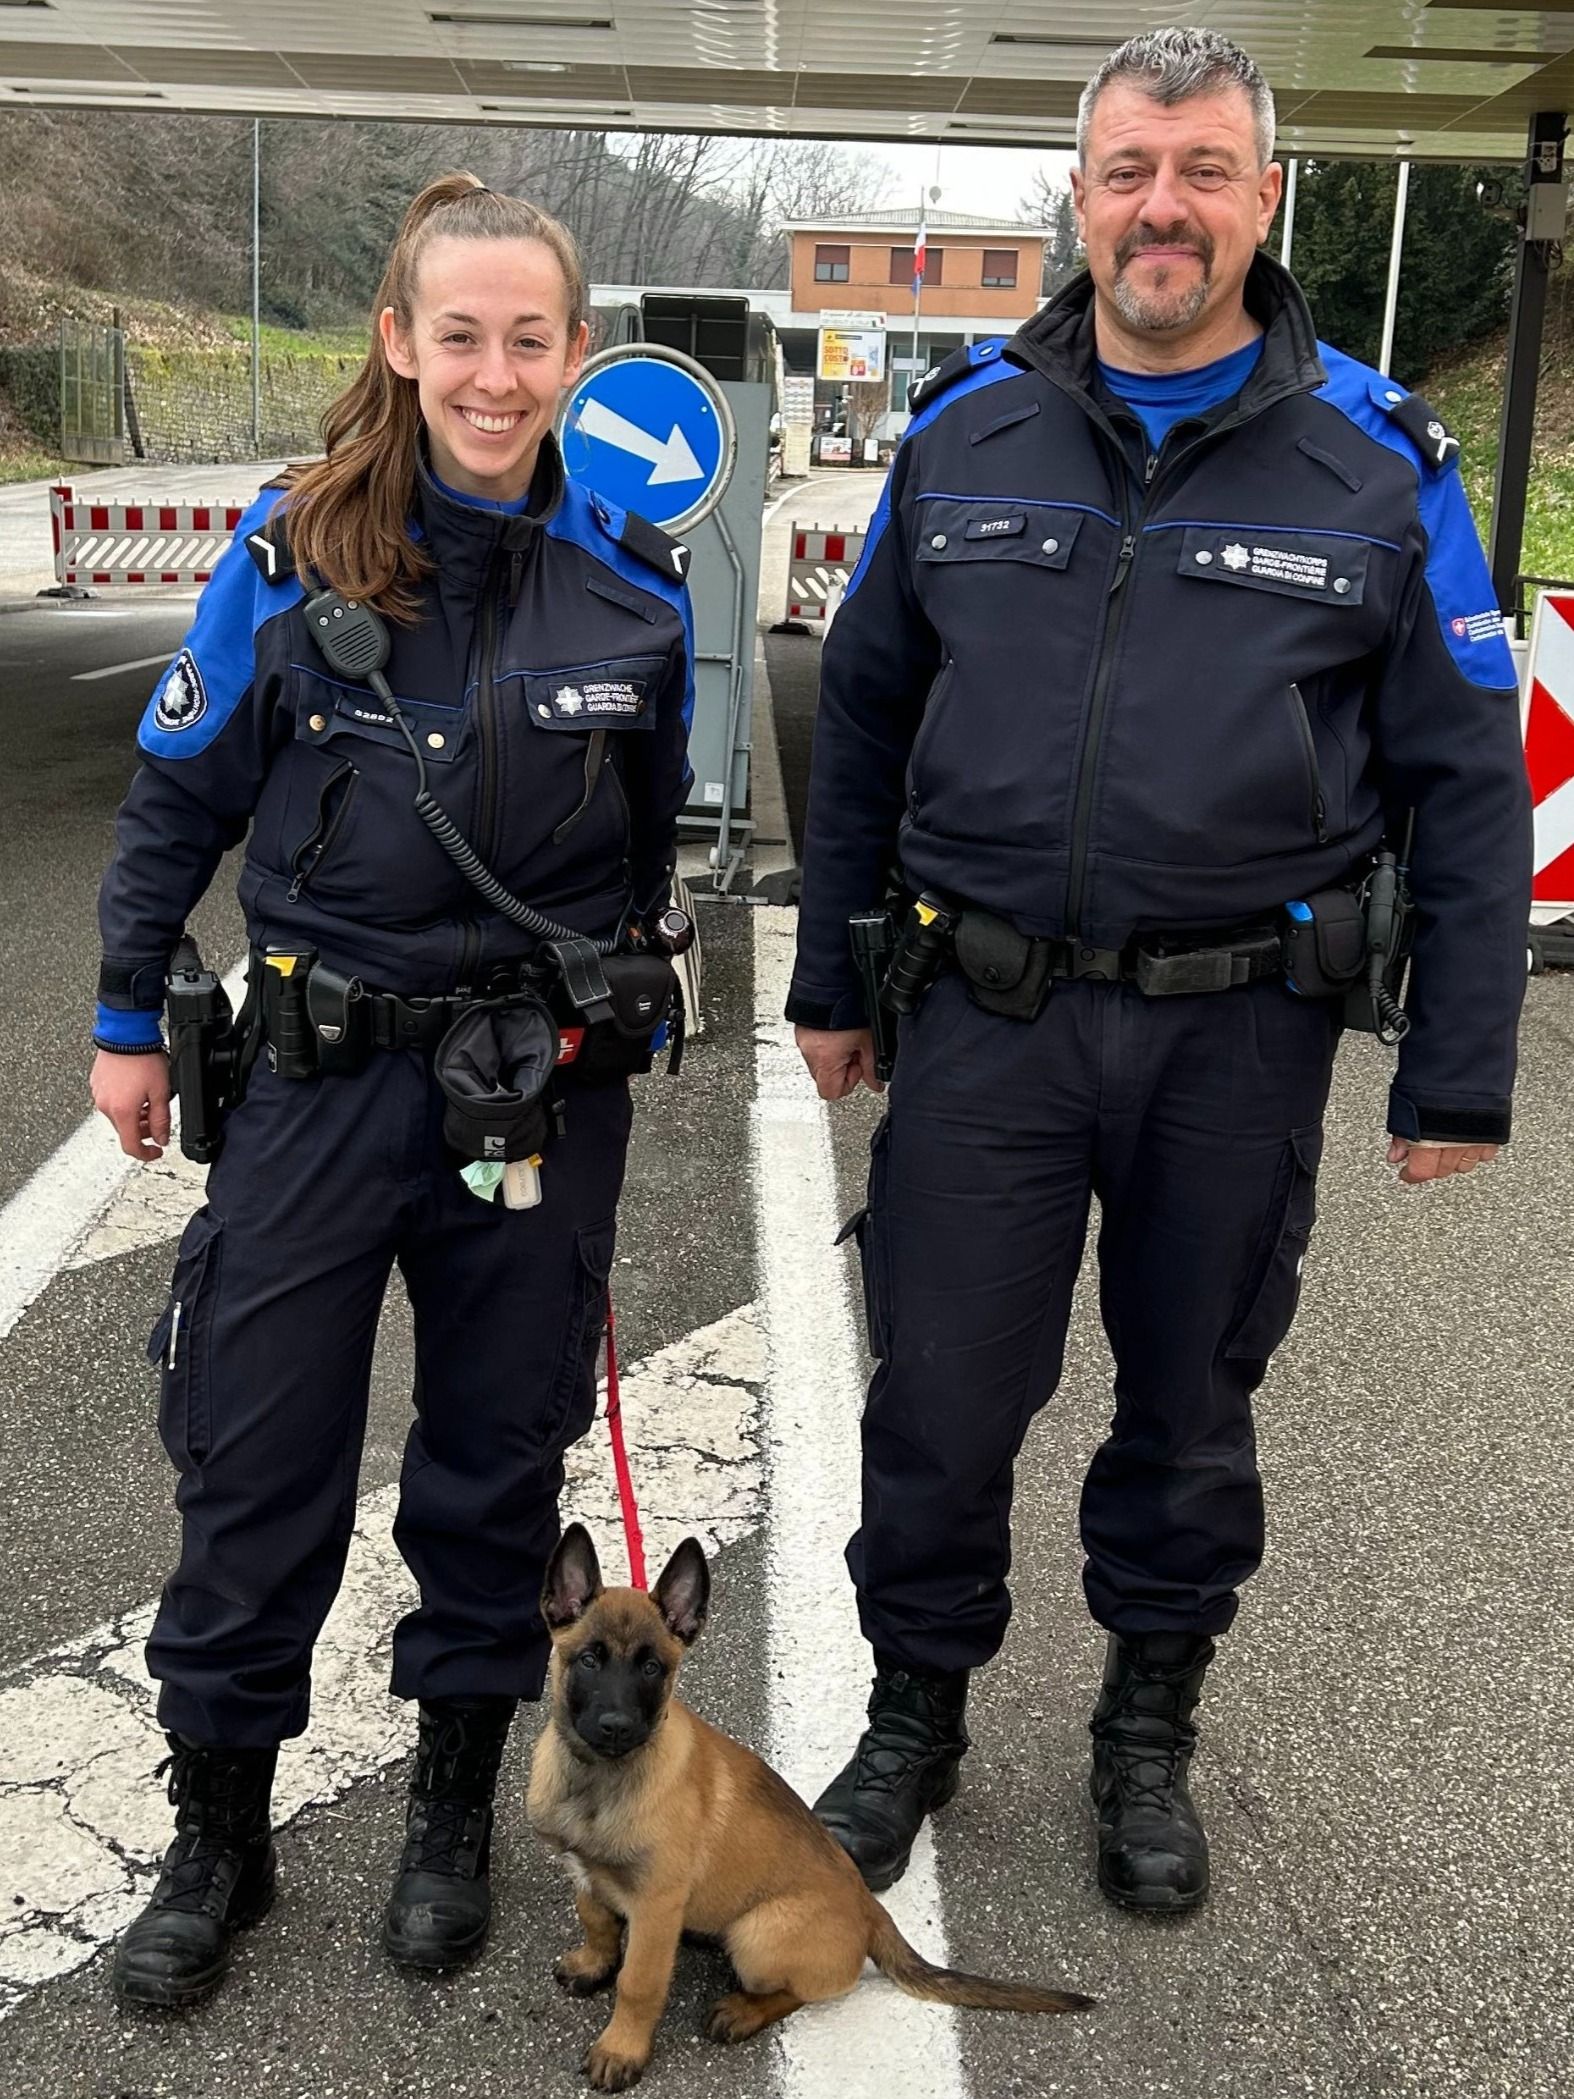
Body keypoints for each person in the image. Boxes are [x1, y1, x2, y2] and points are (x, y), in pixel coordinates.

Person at [789, 28, 1532, 1912]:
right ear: (1079, 193)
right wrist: (826, 976)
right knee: (940, 1401)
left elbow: (1461, 781)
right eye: (1128, 171)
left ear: (1265, 196)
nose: (1161, 209)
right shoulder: (963, 431)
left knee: (1190, 1411)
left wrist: (1460, 1070)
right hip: (986, 1019)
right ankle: (911, 1719)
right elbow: (863, 717)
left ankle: (1144, 1735)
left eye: (1202, 170)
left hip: (1238, 1034)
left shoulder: (1377, 459)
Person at [89, 173, 695, 2007]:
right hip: (316, 1082)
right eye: (462, 337)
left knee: (494, 1467)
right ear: (398, 341)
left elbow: (648, 835)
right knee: (258, 1458)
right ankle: (219, 1835)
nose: (495, 375)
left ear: (576, 357)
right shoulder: (288, 556)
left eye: (531, 340)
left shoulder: (637, 585)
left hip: (534, 1097)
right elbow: (174, 805)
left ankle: (448, 1807)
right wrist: (129, 1013)